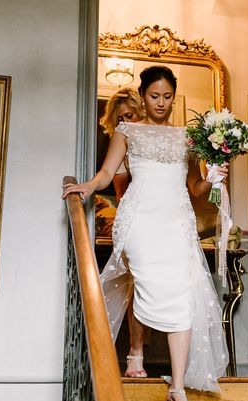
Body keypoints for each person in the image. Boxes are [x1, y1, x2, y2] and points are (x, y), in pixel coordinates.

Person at [63, 66, 229, 401]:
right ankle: (134, 354)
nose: (161, 103)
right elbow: (108, 173)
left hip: (176, 222)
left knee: (183, 295)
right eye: (154, 96)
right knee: (148, 282)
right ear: (143, 95)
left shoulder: (187, 136)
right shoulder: (127, 131)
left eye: (168, 97)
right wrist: (87, 187)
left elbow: (195, 188)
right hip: (139, 220)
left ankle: (178, 389)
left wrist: (214, 176)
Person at [99, 87, 150, 378]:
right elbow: (120, 193)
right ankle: (136, 354)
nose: (125, 122)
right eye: (119, 119)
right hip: (135, 218)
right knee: (137, 287)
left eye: (129, 115)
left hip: (164, 219)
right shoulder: (120, 148)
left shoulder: (158, 135)